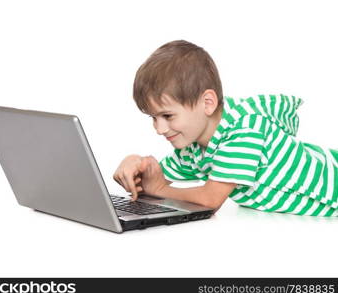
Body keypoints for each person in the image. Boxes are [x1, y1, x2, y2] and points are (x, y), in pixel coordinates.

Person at [113, 40, 338, 217]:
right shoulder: (191, 148)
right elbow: (154, 180)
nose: (159, 129)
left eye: (167, 116)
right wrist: (135, 164)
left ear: (207, 103)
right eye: (153, 118)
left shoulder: (244, 131)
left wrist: (161, 190)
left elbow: (210, 199)